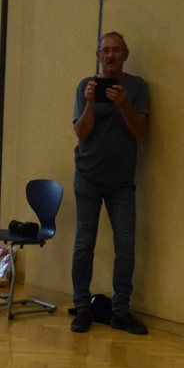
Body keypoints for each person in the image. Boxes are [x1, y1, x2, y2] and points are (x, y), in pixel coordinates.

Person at [70, 32, 150, 335]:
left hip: (121, 182)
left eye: (117, 50)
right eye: (106, 51)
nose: (111, 56)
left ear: (125, 55)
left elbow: (140, 131)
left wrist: (124, 104)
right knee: (84, 245)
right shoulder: (85, 87)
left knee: (126, 245)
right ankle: (82, 308)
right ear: (98, 55)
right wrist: (91, 103)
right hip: (87, 178)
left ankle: (121, 311)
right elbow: (81, 132)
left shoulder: (137, 87)